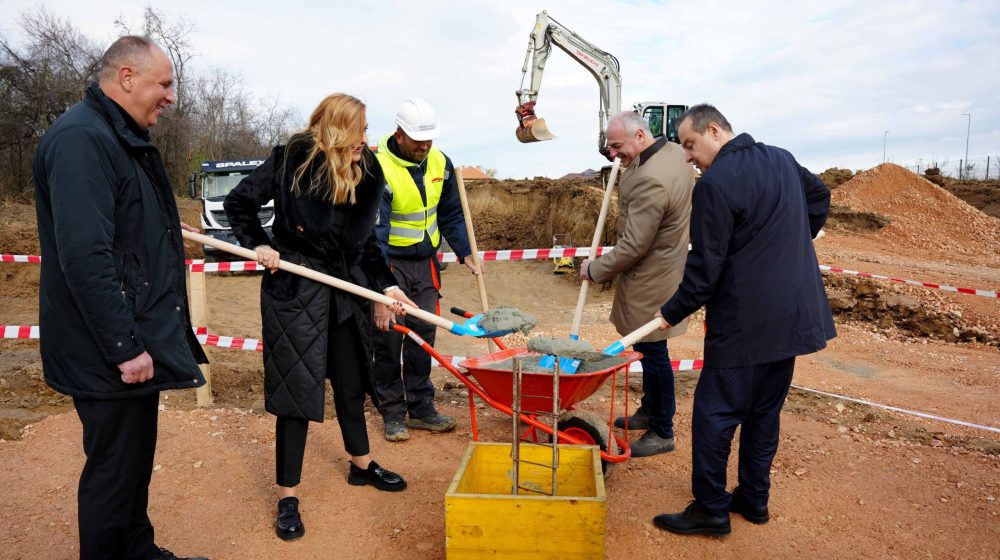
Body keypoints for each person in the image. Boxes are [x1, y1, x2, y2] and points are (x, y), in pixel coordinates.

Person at [32, 36, 209, 560]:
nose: (171, 97)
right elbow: (85, 256)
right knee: (113, 473)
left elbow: (121, 227)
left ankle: (140, 551)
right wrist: (124, 346)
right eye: (164, 84)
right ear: (127, 77)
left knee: (132, 462)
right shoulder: (82, 139)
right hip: (106, 347)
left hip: (130, 337)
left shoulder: (114, 135)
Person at [224, 93, 415, 541]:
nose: (365, 140)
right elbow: (239, 204)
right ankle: (288, 495)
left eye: (367, 131)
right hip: (295, 292)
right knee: (297, 395)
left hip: (344, 294)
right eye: (359, 130)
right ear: (334, 128)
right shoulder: (292, 159)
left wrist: (385, 286)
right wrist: (261, 244)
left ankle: (362, 465)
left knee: (351, 384)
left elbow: (367, 244)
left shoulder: (366, 170)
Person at [651, 104, 836, 536]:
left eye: (691, 144)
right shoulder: (781, 158)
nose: (688, 156)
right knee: (763, 412)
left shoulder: (714, 185)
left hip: (745, 322)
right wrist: (787, 242)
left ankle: (711, 509)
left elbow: (705, 269)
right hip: (791, 317)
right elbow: (820, 197)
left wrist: (670, 312)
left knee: (715, 413)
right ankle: (754, 498)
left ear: (714, 130)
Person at [580, 111, 695, 458]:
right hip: (665, 264)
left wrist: (595, 269)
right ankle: (650, 409)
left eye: (617, 146)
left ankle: (662, 430)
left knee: (653, 350)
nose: (614, 154)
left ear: (641, 136)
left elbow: (633, 245)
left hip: (651, 275)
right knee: (647, 350)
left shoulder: (650, 180)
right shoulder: (673, 152)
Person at [372, 97, 481, 442]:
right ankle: (392, 412)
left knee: (425, 336)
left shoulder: (440, 163)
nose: (424, 146)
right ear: (399, 134)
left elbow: (450, 213)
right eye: (418, 139)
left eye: (429, 138)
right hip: (389, 263)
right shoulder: (377, 168)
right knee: (389, 339)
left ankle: (421, 407)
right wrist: (381, 285)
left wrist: (464, 251)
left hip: (425, 265)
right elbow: (374, 231)